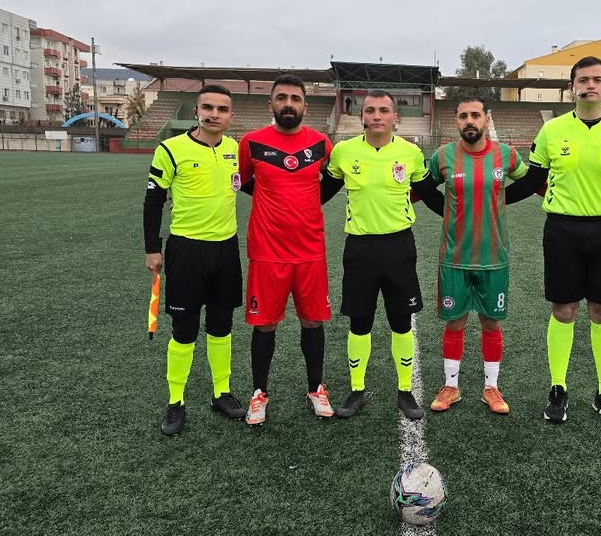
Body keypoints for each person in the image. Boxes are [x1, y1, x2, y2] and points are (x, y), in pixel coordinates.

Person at [505, 56, 601, 427]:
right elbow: (529, 181)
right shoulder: (552, 131)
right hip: (562, 231)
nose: (590, 85)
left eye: (597, 79)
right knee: (563, 310)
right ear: (572, 86)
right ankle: (558, 389)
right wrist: (492, 197)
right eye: (583, 79)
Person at [320, 90, 442, 420]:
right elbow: (322, 192)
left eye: (383, 110)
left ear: (394, 117)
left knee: (401, 321)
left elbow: (430, 194)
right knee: (360, 322)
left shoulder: (411, 153)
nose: (376, 115)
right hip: (359, 248)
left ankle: (405, 391)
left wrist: (457, 216)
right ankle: (356, 390)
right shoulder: (343, 152)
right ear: (362, 117)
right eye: (370, 110)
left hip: (399, 247)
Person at [144, 84, 247, 436]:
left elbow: (255, 184)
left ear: (231, 116)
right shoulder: (171, 149)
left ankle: (222, 392)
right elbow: (153, 202)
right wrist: (152, 249)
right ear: (196, 111)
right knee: (184, 331)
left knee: (221, 326)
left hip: (226, 249)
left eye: (222, 109)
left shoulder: (236, 150)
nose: (214, 114)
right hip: (186, 250)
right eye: (208, 107)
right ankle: (176, 401)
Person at [237, 74, 335, 425]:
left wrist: (307, 205)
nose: (288, 104)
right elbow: (245, 181)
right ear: (271, 104)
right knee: (264, 325)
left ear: (305, 106)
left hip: (310, 250)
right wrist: (272, 204)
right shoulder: (250, 143)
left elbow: (333, 180)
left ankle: (315, 389)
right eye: (282, 98)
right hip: (266, 250)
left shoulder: (322, 144)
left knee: (313, 320)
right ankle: (259, 394)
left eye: (295, 98)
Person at [423, 96, 527, 415]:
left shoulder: (505, 155)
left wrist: (500, 201)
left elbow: (530, 181)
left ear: (486, 119)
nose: (470, 121)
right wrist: (447, 213)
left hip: (494, 257)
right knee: (454, 323)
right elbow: (426, 189)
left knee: (491, 323)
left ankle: (491, 388)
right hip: (454, 257)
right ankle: (451, 387)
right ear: (456, 121)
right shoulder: (443, 156)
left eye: (475, 115)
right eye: (463, 116)